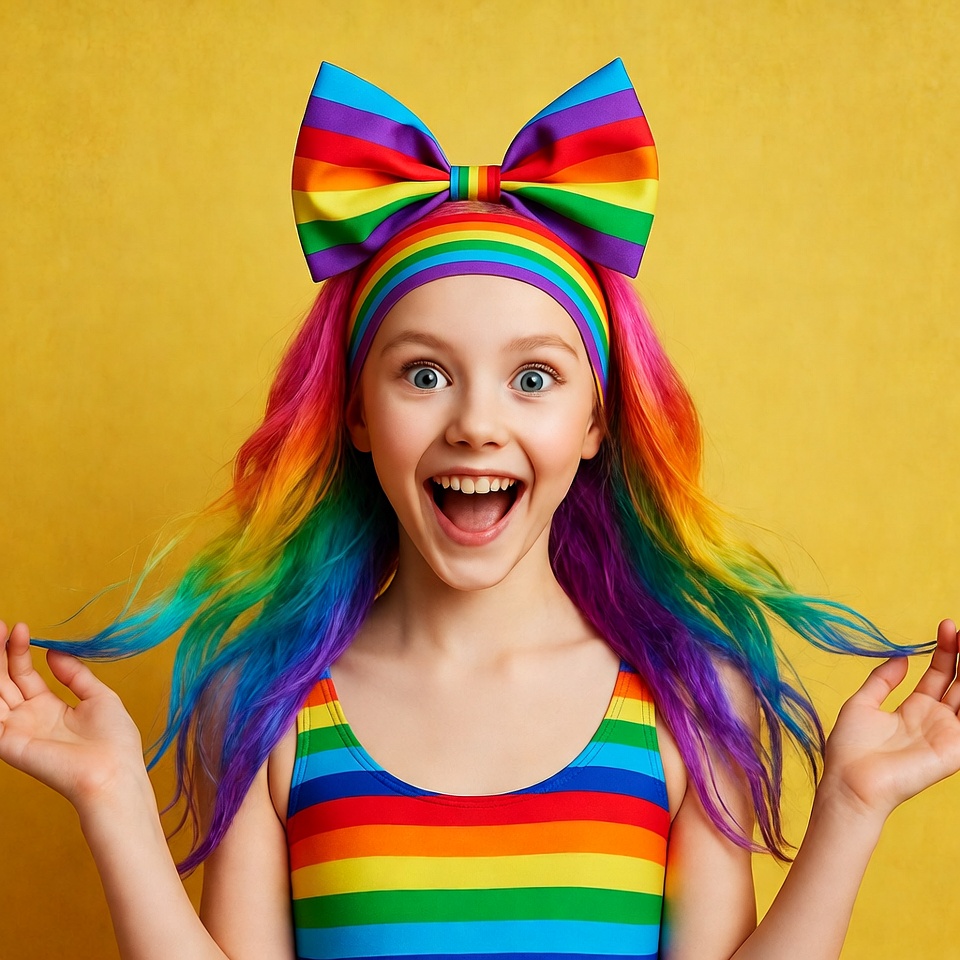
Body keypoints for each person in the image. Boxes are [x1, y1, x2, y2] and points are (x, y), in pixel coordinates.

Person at [0, 58, 958, 960]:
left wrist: (854, 806)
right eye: (424, 374)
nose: (476, 426)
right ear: (357, 413)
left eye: (534, 377)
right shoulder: (267, 705)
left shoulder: (689, 700)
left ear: (596, 421)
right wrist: (112, 798)